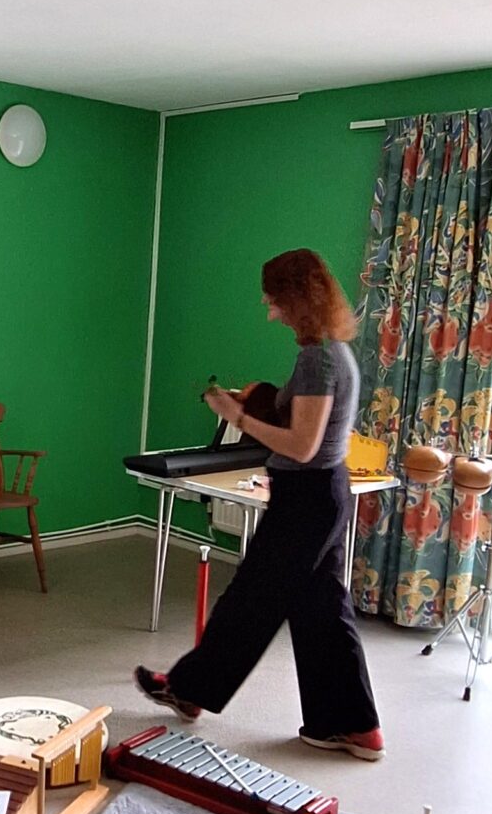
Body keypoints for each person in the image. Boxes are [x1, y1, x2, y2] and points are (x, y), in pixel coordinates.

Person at [134, 248, 384, 760]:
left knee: (250, 601)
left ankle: (188, 690)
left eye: (275, 301)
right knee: (321, 611)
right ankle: (352, 727)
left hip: (307, 500)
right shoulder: (333, 352)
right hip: (322, 494)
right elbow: (309, 428)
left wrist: (235, 416)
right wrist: (260, 403)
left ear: (300, 299)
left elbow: (301, 445)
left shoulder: (316, 359)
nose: (270, 311)